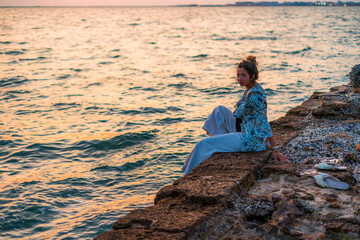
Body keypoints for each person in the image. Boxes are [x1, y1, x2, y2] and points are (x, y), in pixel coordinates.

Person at [182, 56, 288, 174]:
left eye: (243, 75)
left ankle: (187, 173)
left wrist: (275, 149)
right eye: (238, 75)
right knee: (219, 111)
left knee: (204, 143)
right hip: (245, 128)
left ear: (252, 76)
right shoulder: (251, 88)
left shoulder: (255, 96)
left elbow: (264, 123)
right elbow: (239, 113)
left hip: (249, 140)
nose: (239, 78)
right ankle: (221, 143)